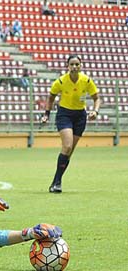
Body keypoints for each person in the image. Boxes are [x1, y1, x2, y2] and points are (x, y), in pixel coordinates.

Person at [41, 55, 101, 193]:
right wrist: (46, 115)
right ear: (67, 66)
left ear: (81, 65)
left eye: (77, 64)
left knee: (69, 152)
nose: (74, 67)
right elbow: (51, 98)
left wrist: (95, 111)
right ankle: (56, 182)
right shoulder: (61, 82)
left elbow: (97, 98)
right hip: (64, 114)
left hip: (80, 116)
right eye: (72, 64)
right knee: (67, 146)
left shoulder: (86, 80)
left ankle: (56, 182)